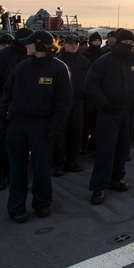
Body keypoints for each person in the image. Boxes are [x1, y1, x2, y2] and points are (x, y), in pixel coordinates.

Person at [0, 31, 72, 223]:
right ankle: (16, 207)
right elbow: (6, 95)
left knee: (41, 167)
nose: (26, 46)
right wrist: (1, 121)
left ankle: (42, 202)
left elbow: (64, 102)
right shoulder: (21, 67)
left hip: (42, 124)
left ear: (39, 46)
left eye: (29, 44)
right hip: (18, 123)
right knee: (17, 168)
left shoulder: (59, 69)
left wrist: (56, 126)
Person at [85, 28, 134, 205]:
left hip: (128, 112)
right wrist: (104, 104)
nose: (128, 46)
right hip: (109, 112)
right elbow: (91, 85)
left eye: (131, 43)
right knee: (106, 150)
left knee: (123, 148)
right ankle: (99, 186)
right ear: (118, 42)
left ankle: (116, 178)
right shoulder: (104, 61)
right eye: (125, 43)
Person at [0, 27, 34, 192]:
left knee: (21, 145)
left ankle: (17, 172)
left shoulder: (33, 57)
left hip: (26, 109)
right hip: (4, 108)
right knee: (0, 143)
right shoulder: (1, 57)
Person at [54, 33, 91, 175]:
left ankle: (72, 160)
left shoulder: (84, 61)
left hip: (79, 102)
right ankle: (59, 162)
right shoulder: (57, 61)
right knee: (60, 134)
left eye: (76, 43)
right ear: (64, 44)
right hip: (62, 105)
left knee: (76, 133)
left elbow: (89, 82)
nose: (73, 45)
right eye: (70, 43)